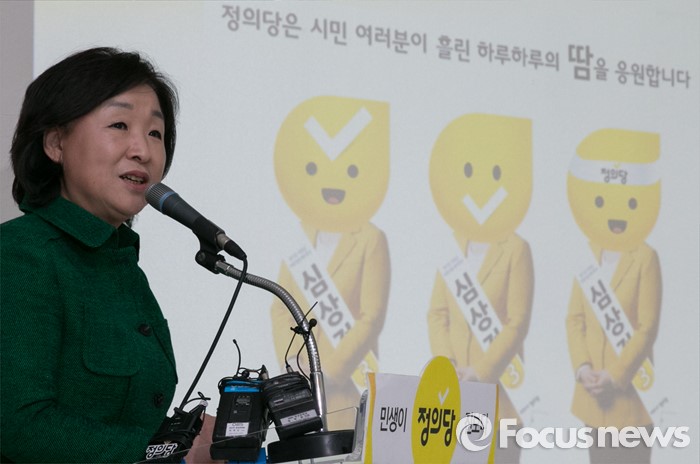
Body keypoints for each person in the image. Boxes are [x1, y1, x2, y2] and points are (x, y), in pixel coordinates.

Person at [0, 47, 214, 463]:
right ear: (56, 143)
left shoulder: (123, 268)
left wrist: (190, 435)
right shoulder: (20, 255)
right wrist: (168, 454)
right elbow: (18, 425)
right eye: (119, 125)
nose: (142, 150)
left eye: (155, 133)